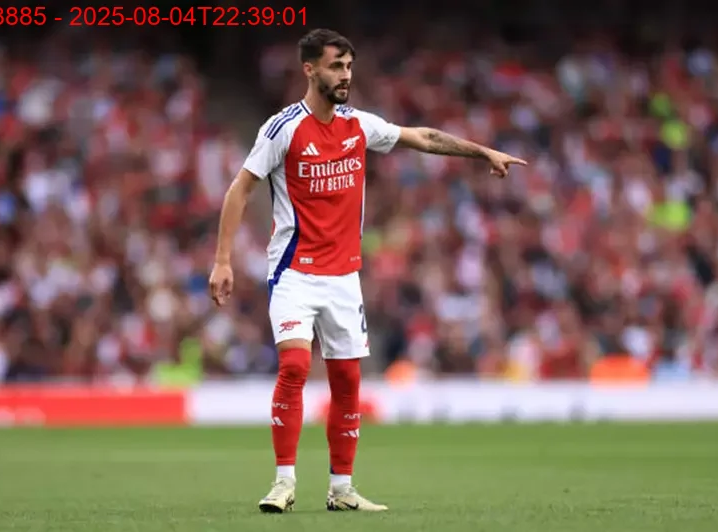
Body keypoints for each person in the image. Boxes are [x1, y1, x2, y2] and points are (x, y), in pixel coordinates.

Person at [209, 28, 527, 513]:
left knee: (347, 383)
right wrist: (222, 260)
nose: (345, 76)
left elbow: (421, 136)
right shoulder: (282, 129)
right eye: (336, 66)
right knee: (295, 367)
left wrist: (482, 151)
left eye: (349, 67)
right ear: (310, 69)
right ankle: (283, 482)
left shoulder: (359, 124)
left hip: (343, 277)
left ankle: (341, 489)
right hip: (294, 271)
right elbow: (240, 189)